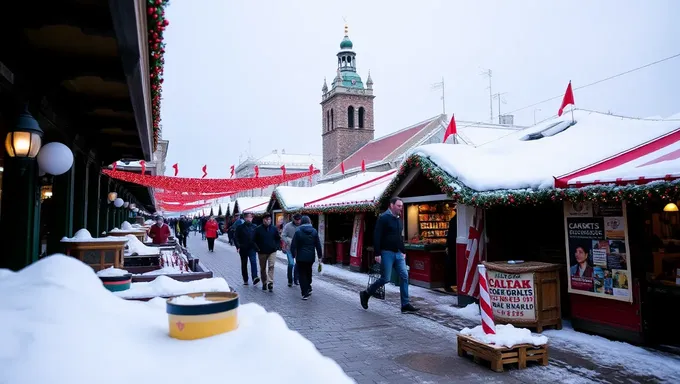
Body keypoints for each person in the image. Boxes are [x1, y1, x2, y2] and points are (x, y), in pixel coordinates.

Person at [360, 197, 419, 313]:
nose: (400, 208)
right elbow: (377, 236)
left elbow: (399, 237)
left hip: (398, 253)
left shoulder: (398, 220)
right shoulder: (383, 218)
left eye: (401, 206)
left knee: (404, 276)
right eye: (398, 206)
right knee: (385, 278)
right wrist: (377, 253)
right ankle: (366, 293)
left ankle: (405, 304)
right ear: (391, 205)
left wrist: (403, 251)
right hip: (386, 252)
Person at [290, 215, 322, 300]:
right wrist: (320, 256)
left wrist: (293, 255)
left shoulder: (298, 232)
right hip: (311, 257)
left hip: (300, 257)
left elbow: (293, 245)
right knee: (308, 271)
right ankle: (309, 286)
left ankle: (305, 292)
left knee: (302, 274)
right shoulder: (314, 231)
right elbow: (318, 245)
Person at [253, 214, 281, 292]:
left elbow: (278, 238)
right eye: (266, 219)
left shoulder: (274, 229)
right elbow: (253, 240)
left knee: (271, 266)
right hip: (261, 252)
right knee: (263, 268)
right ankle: (264, 282)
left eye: (269, 219)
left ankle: (270, 282)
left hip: (272, 251)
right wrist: (257, 249)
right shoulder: (258, 229)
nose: (267, 221)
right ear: (263, 220)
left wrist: (277, 246)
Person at [234, 212, 260, 285]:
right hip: (243, 248)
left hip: (252, 248)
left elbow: (258, 238)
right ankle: (245, 279)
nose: (249, 219)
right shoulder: (240, 227)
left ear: (252, 218)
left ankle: (255, 277)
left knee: (253, 262)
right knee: (244, 264)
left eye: (250, 217)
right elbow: (236, 237)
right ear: (244, 218)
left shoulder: (255, 227)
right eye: (247, 217)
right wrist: (238, 246)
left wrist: (258, 247)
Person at [281, 214, 302, 287]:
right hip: (289, 248)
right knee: (291, 264)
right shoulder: (288, 226)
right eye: (296, 220)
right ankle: (290, 279)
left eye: (299, 220)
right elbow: (283, 235)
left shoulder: (302, 226)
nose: (298, 221)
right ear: (293, 219)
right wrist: (289, 241)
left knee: (298, 264)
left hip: (299, 248)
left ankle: (296, 278)